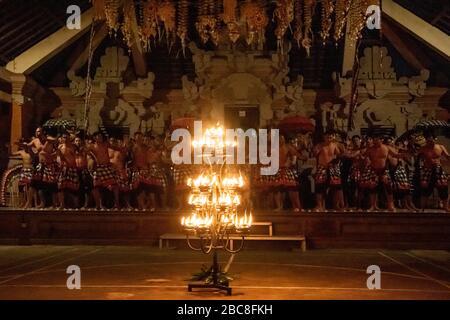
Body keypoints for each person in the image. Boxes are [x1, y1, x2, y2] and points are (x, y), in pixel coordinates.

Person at [360, 133, 406, 212]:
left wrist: (405, 154)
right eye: (374, 139)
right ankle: (373, 206)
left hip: (384, 169)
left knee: (388, 188)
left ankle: (390, 206)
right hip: (373, 170)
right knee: (372, 188)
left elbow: (395, 155)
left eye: (376, 139)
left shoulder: (387, 148)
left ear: (381, 140)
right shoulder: (370, 149)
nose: (375, 141)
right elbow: (363, 156)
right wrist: (361, 156)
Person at [417, 131, 450, 211]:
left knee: (443, 187)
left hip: (438, 169)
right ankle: (422, 208)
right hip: (427, 170)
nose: (429, 141)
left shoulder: (440, 147)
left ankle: (445, 206)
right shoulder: (423, 148)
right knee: (425, 189)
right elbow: (417, 158)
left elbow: (447, 156)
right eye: (428, 140)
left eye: (431, 140)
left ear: (435, 139)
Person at [313, 131, 344, 211]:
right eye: (327, 136)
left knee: (336, 187)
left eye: (331, 136)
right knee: (319, 187)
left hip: (333, 168)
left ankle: (336, 205)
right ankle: (319, 205)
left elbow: (339, 155)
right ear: (324, 137)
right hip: (322, 168)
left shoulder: (335, 145)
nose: (329, 138)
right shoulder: (320, 145)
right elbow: (314, 154)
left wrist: (336, 159)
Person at [87, 132, 119, 209]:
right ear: (95, 138)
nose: (100, 137)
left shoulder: (106, 144)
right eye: (98, 136)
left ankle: (117, 203)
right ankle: (98, 205)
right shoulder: (92, 146)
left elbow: (115, 148)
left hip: (106, 167)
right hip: (98, 168)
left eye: (101, 136)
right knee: (96, 187)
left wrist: (122, 148)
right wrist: (92, 157)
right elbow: (84, 150)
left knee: (114, 185)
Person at [272, 135, 304, 212]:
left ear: (284, 140)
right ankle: (279, 206)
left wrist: (293, 160)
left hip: (287, 170)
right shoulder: (273, 148)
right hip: (277, 169)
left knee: (292, 188)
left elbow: (296, 155)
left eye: (281, 139)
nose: (280, 140)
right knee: (278, 189)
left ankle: (297, 206)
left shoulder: (288, 147)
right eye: (278, 139)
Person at [57, 133, 80, 208]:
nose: (65, 139)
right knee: (61, 186)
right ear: (62, 138)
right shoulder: (60, 147)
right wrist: (61, 165)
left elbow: (78, 156)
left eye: (67, 137)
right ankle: (62, 204)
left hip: (73, 168)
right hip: (64, 168)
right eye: (64, 137)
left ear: (69, 138)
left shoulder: (73, 146)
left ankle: (76, 204)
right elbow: (60, 158)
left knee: (74, 187)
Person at [11, 140, 35, 208]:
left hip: (30, 170)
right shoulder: (21, 152)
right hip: (24, 170)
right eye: (24, 146)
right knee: (20, 186)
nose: (25, 147)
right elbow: (12, 153)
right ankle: (22, 201)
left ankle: (29, 202)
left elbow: (36, 153)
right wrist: (11, 146)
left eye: (26, 146)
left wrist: (30, 147)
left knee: (29, 187)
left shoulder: (31, 151)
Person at [74, 136, 92, 209]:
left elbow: (90, 157)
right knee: (77, 188)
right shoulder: (73, 149)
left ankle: (86, 204)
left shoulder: (84, 149)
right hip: (76, 170)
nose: (78, 142)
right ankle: (77, 204)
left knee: (86, 188)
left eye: (79, 141)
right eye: (76, 141)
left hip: (84, 169)